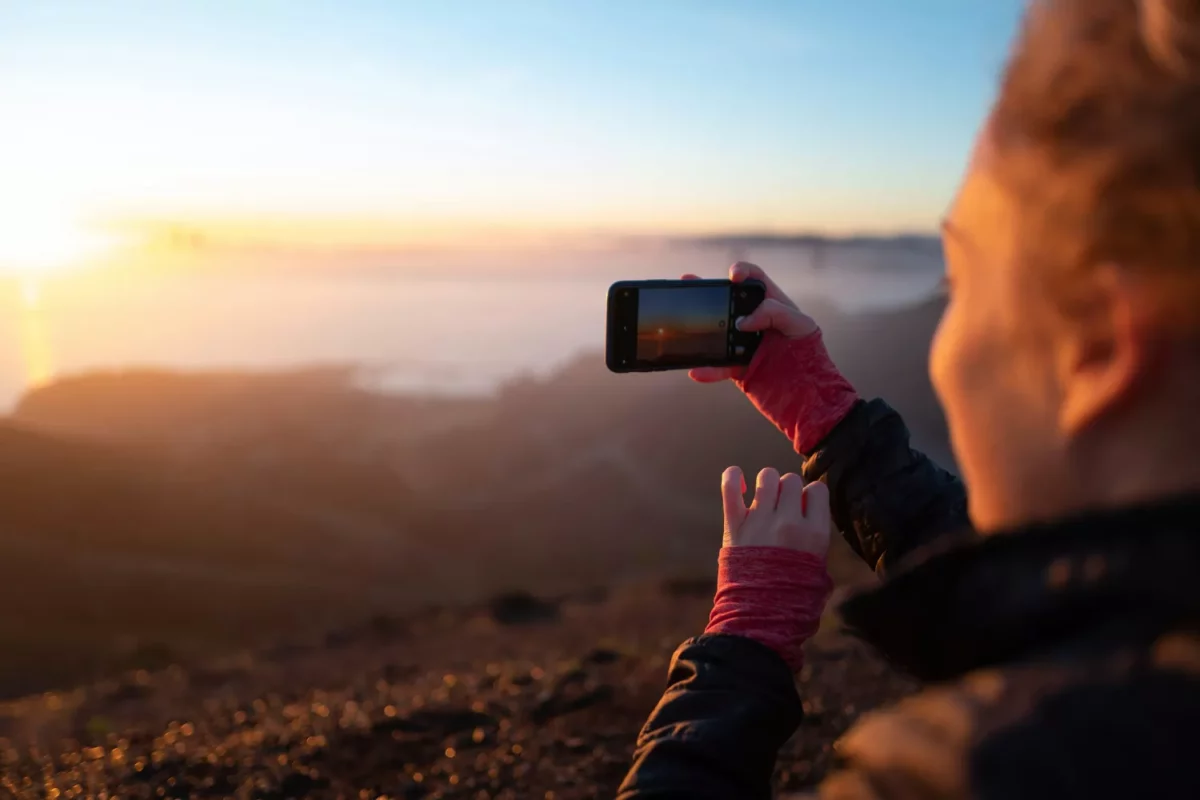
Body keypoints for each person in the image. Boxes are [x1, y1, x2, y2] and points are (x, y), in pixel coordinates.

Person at [618, 0, 1200, 797]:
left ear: (1099, 346)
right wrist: (827, 416)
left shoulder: (974, 772)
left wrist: (745, 643)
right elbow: (1055, 597)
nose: (943, 335)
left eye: (957, 284)